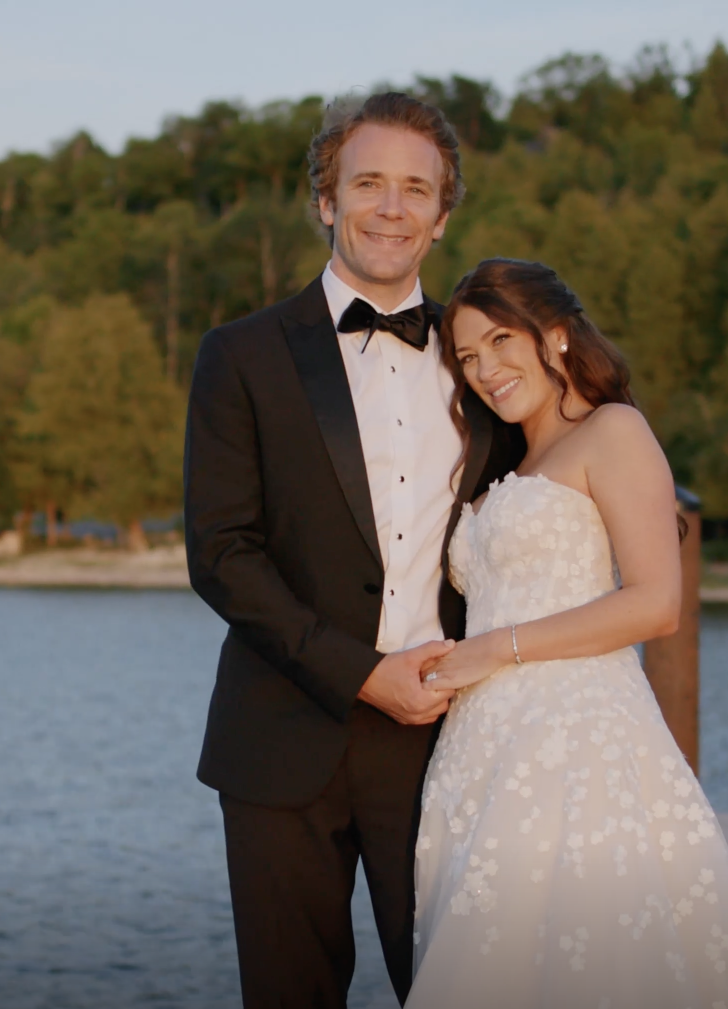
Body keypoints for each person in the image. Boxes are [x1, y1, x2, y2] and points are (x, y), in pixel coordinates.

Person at [183, 93, 523, 1008]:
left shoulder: (489, 358)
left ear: (443, 216)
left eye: (416, 189)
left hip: (451, 738)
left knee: (462, 990)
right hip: (279, 737)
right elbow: (221, 552)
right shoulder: (240, 354)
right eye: (366, 182)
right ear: (325, 202)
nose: (391, 207)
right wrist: (359, 672)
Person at [406, 258, 728, 1007]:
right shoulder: (508, 462)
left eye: (498, 341)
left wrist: (495, 649)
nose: (484, 369)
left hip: (574, 740)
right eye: (468, 357)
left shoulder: (613, 430)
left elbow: (656, 604)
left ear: (553, 336)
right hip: (478, 750)